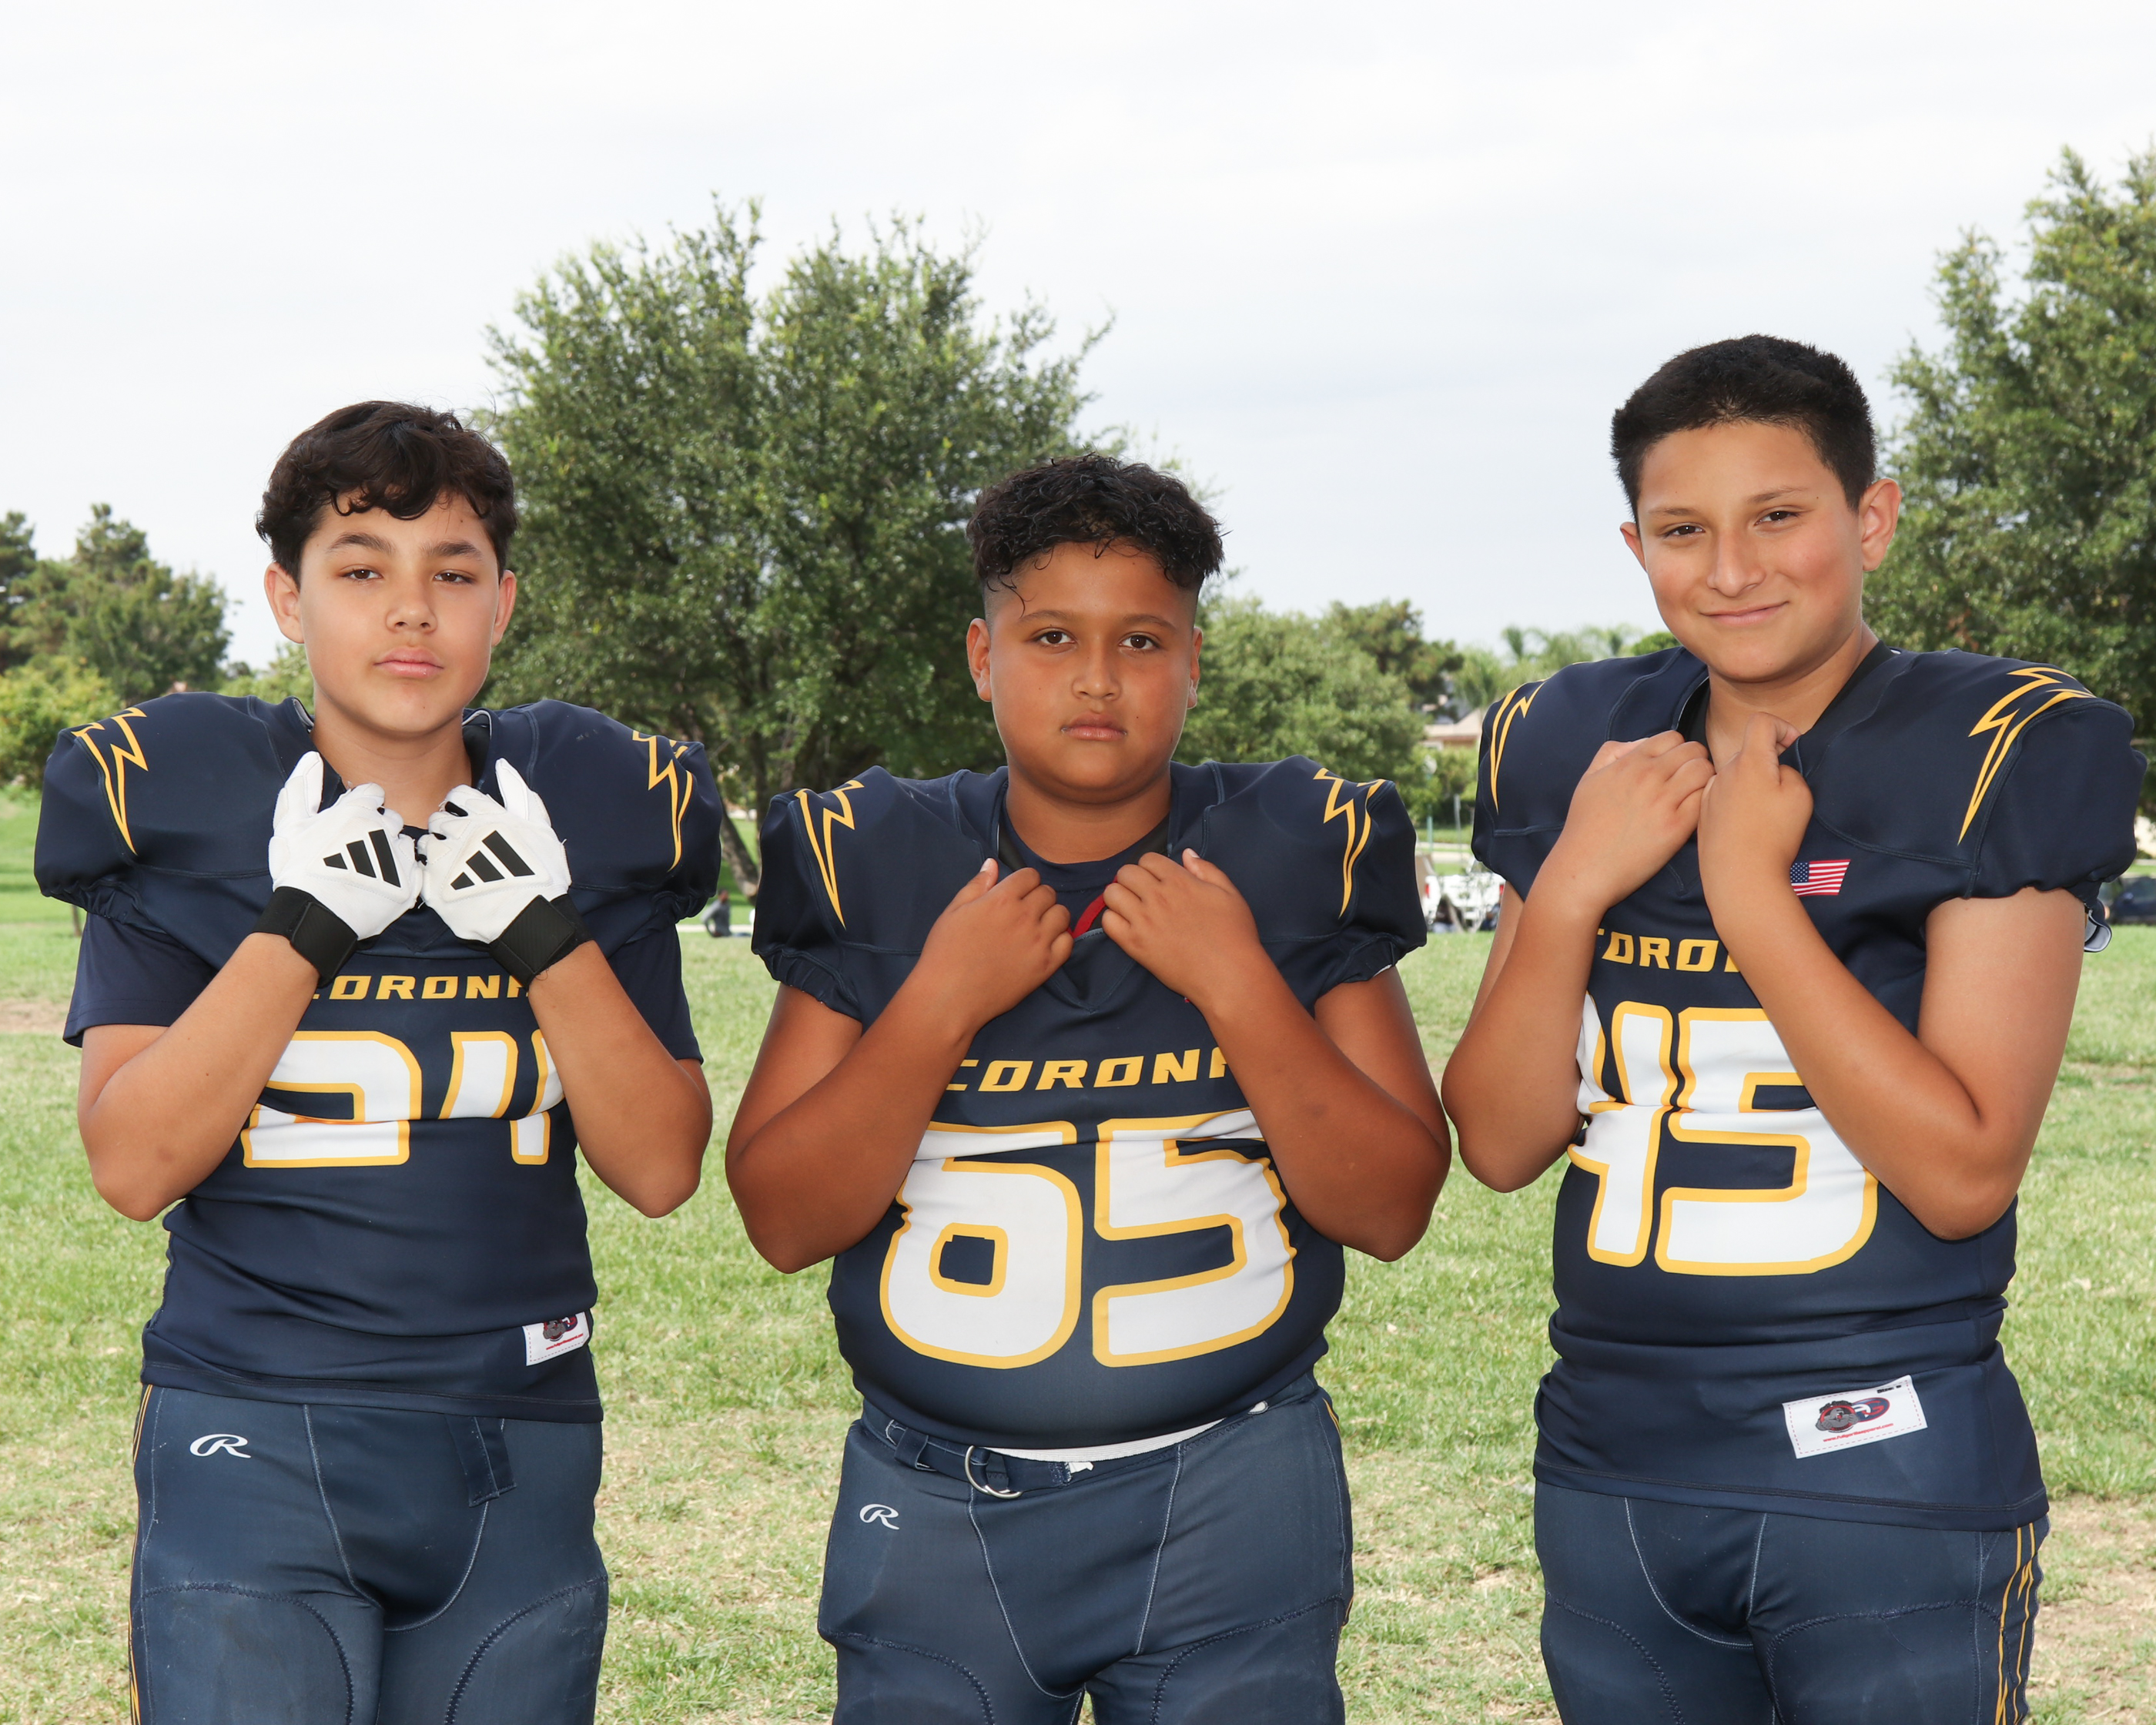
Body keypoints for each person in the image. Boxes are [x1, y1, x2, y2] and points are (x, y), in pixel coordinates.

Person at [1440, 336, 2144, 1723]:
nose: (1731, 569)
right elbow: (1505, 1143)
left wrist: (1751, 894)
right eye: (1682, 530)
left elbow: (1963, 1172)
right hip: (1615, 1461)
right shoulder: (1578, 739)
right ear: (1636, 544)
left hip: (1883, 1466)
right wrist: (1572, 884)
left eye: (1778, 515)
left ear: (1870, 518)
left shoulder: (1998, 742)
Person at [727, 454, 1450, 1723]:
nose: (1099, 678)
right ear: (983, 654)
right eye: (1052, 635)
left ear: (1195, 661)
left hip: (1234, 1488)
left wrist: (1238, 982)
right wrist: (942, 1000)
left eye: (1142, 640)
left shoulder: (1295, 845)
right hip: (939, 1498)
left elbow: (1390, 1208)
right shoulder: (879, 853)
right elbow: (785, 1220)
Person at [36, 402, 720, 1724]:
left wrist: (544, 933)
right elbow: (132, 1165)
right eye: (361, 568)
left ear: (502, 604)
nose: (412, 609)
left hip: (519, 1433)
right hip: (254, 1425)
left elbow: (659, 1169)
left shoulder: (577, 814)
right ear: (288, 600)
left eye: (452, 573)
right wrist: (300, 927)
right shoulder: (188, 802)